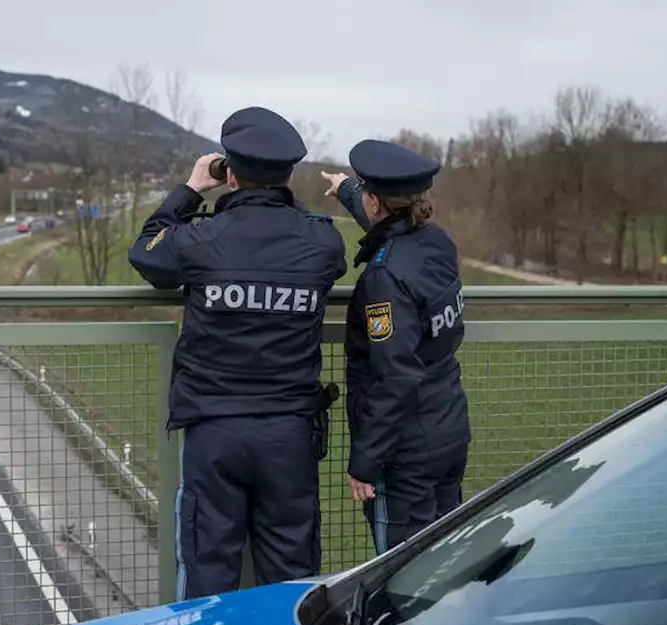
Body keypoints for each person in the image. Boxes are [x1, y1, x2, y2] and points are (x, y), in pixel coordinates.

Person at [129, 106, 347, 600]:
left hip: (214, 430)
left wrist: (189, 190)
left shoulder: (200, 239)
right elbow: (343, 248)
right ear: (290, 173)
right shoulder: (321, 242)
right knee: (293, 578)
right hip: (289, 435)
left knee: (208, 570)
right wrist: (353, 193)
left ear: (229, 172)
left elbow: (146, 250)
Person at [320, 140, 472, 555]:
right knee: (444, 563)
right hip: (448, 427)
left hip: (406, 453)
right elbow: (390, 228)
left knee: (401, 574)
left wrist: (365, 462)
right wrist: (347, 188)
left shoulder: (384, 279)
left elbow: (396, 375)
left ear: (375, 202)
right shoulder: (436, 241)